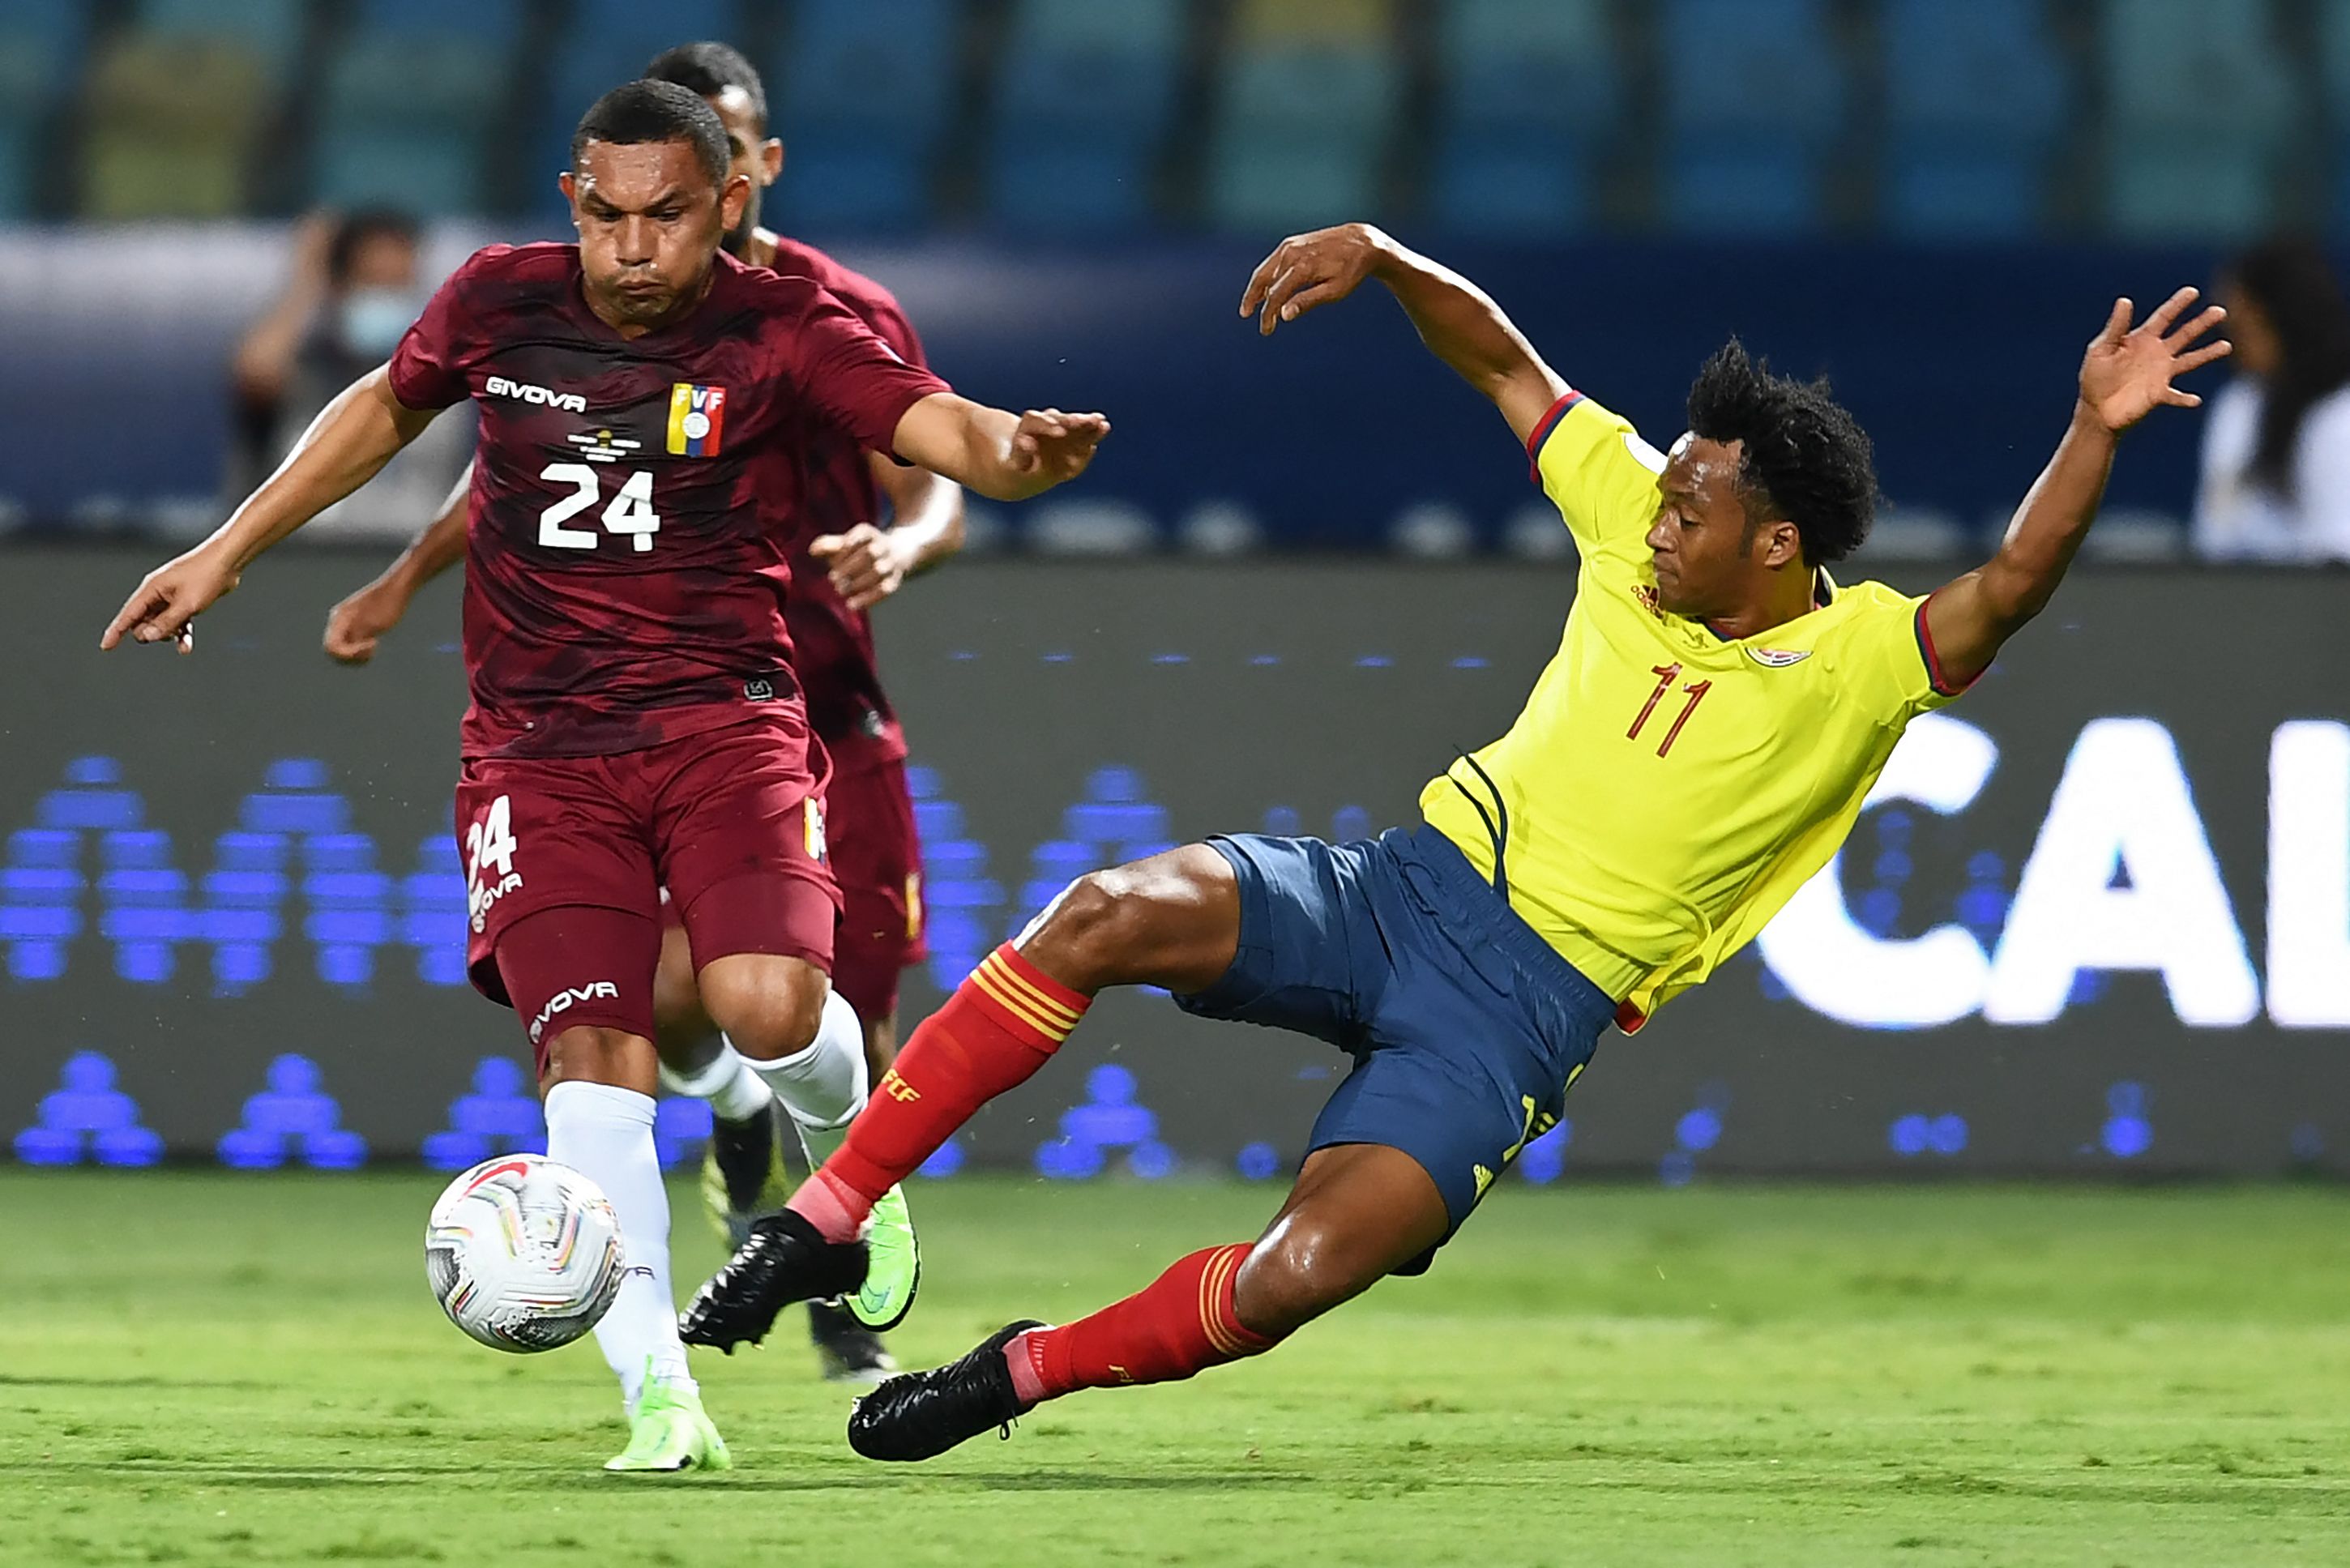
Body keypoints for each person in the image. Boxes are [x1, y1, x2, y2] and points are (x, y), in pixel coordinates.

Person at [676, 223, 2228, 1462]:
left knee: (1298, 1278)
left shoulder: (1863, 663)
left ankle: (1015, 1376)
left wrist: (2092, 429)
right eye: (1664, 490)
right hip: (1399, 887)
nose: (1655, 519)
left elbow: (2015, 584)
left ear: (1776, 545)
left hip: (1521, 1016)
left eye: (1690, 511)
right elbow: (1507, 368)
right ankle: (829, 1217)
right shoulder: (1638, 516)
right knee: (1101, 908)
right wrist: (1391, 259)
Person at [100, 79, 1108, 1473]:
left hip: (727, 724)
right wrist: (228, 549)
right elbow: (384, 410)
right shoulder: (497, 304)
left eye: (668, 220)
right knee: (596, 1060)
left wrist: (1015, 456)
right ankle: (660, 1399)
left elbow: (940, 428)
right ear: (576, 202)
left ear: (728, 208)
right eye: (609, 217)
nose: (634, 250)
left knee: (770, 1005)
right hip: (533, 757)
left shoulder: (788, 330)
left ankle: (854, 1186)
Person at [319, 41, 962, 1385]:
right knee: (668, 1017)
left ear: (749, 174)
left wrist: (909, 548)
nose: (662, 216)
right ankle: (719, 1190)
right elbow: (529, 468)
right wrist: (399, 578)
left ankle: (837, 1281)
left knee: (816, 1008)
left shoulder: (823, 313)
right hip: (615, 722)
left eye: (699, 177)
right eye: (627, 197)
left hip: (812, 708)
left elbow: (935, 459)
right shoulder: (561, 315)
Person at [231, 208, 472, 540]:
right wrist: (307, 279)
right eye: (373, 284)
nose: (387, 299)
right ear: (339, 287)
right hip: (311, 556)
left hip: (409, 557)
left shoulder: (446, 375)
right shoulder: (306, 368)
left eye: (398, 285)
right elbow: (256, 372)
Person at [2193, 237, 2350, 563]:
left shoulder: (2340, 414)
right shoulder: (2238, 405)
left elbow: (2338, 554)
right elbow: (2214, 537)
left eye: (2246, 328)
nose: (2234, 343)